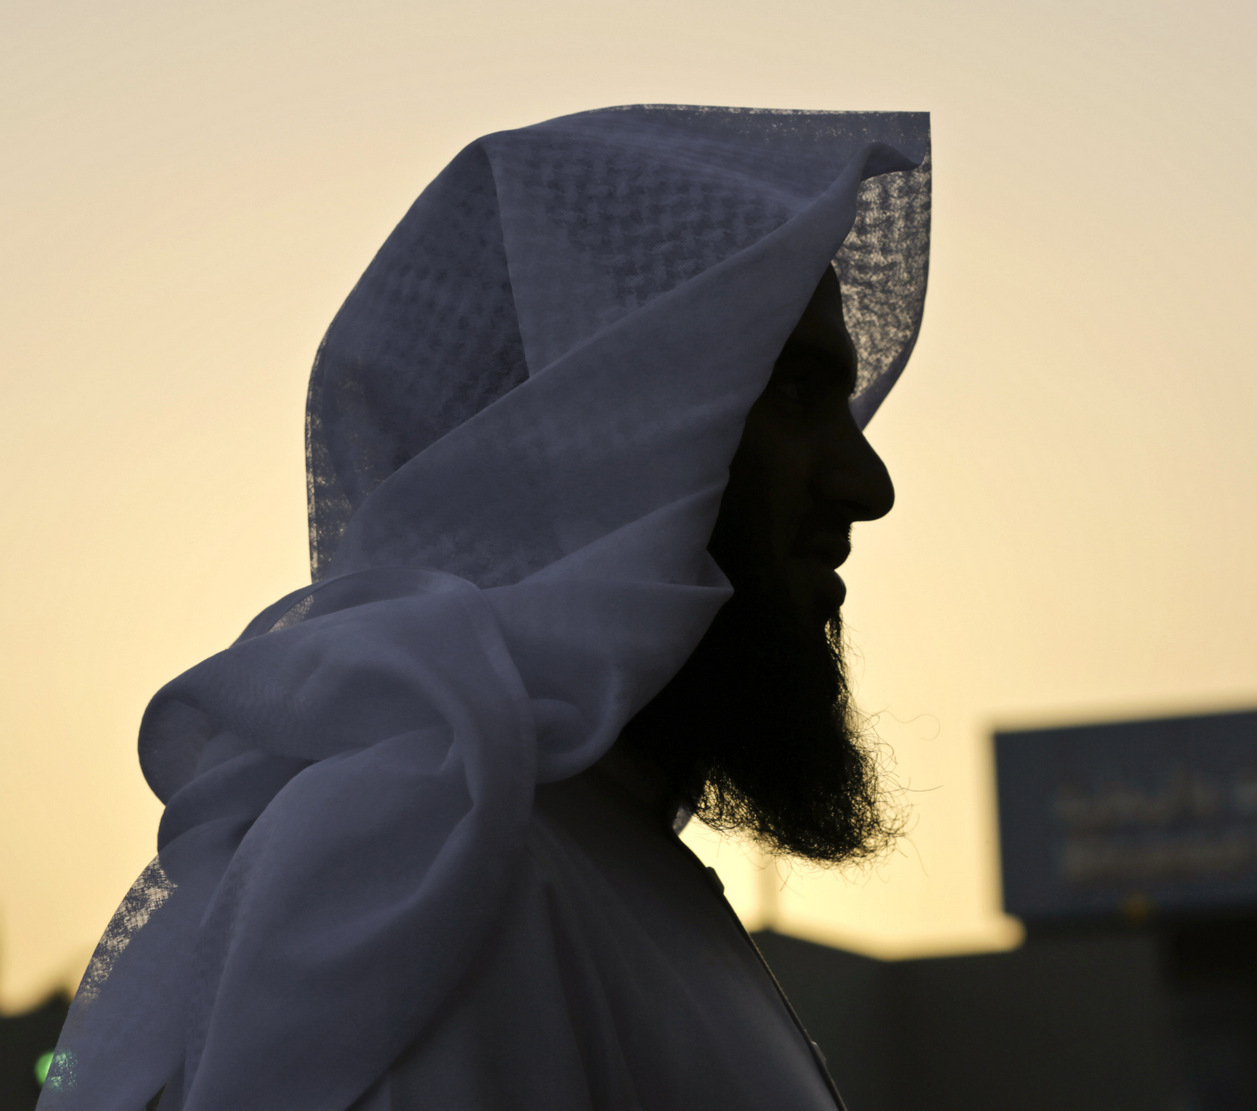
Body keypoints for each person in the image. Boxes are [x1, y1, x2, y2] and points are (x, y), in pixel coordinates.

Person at [40, 104, 930, 1111]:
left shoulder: (586, 856)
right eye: (794, 397)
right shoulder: (435, 860)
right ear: (606, 443)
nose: (866, 482)